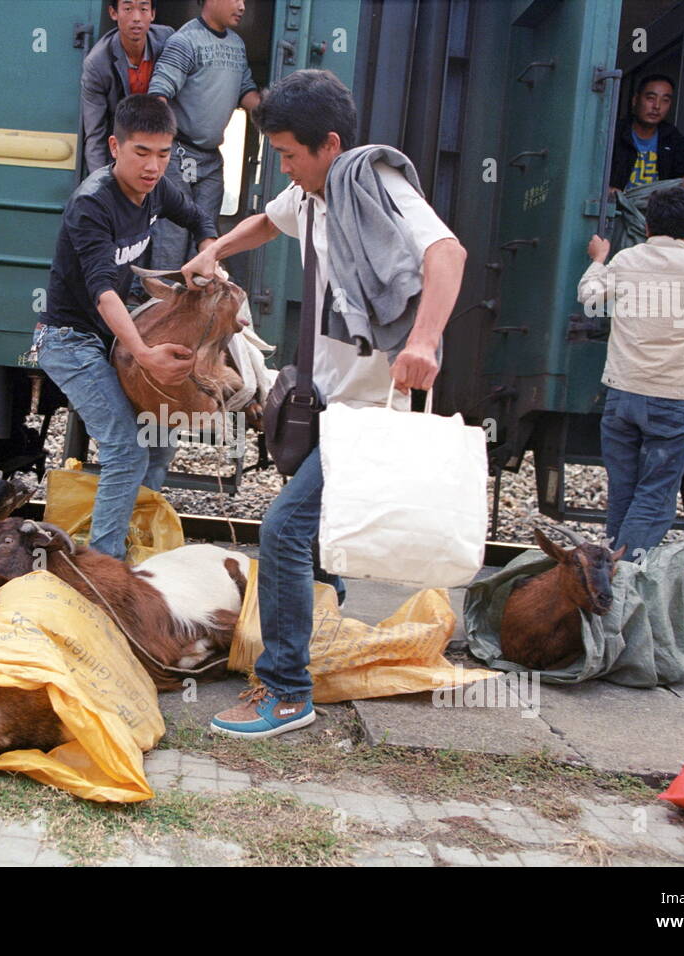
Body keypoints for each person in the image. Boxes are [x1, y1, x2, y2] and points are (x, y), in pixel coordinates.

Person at [179, 70, 467, 739]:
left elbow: (446, 253)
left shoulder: (373, 182)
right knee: (308, 539)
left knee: (281, 530)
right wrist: (216, 248)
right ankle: (318, 628)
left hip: (368, 411)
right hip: (329, 401)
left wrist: (424, 340)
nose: (283, 166)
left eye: (287, 154)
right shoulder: (310, 194)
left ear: (329, 144)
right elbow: (265, 220)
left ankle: (285, 692)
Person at [36, 95, 218, 559]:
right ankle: (105, 566)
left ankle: (136, 539)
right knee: (126, 448)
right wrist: (144, 354)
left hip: (110, 338)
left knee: (160, 436)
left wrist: (207, 251)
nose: (153, 166)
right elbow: (103, 291)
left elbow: (198, 217)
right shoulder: (91, 205)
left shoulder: (156, 188)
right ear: (115, 146)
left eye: (163, 153)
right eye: (141, 152)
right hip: (70, 341)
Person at [577, 187, 684, 562]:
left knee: (624, 487)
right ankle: (626, 571)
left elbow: (589, 295)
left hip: (621, 396)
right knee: (655, 496)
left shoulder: (624, 261)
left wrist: (598, 259)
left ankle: (612, 564)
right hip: (672, 402)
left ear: (648, 224)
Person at [147, 0, 260, 270]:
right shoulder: (184, 42)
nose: (242, 6)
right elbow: (158, 93)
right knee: (172, 237)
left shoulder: (237, 45)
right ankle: (161, 304)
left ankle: (191, 308)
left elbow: (247, 93)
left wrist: (280, 115)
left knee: (206, 236)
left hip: (211, 159)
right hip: (179, 154)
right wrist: (160, 150)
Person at [80, 0, 175, 176]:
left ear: (152, 14)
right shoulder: (97, 63)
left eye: (144, 9)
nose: (137, 18)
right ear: (113, 13)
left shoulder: (168, 41)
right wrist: (100, 183)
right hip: (123, 150)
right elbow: (95, 133)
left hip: (162, 146)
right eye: (128, 9)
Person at [609, 74, 684, 193]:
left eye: (665, 100)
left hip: (656, 210)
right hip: (614, 209)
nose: (657, 106)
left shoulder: (673, 138)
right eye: (651, 98)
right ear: (635, 100)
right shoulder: (614, 133)